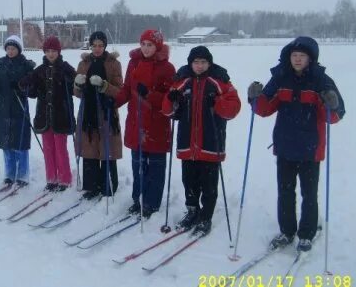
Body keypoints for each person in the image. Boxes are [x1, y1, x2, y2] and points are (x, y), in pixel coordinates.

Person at [247, 36, 345, 251]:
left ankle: (307, 233)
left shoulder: (321, 80)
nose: (298, 59)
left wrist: (331, 104)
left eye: (302, 56)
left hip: (311, 147)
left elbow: (334, 117)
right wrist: (254, 98)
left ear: (310, 58)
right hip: (285, 146)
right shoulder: (281, 77)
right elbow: (264, 109)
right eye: (294, 55)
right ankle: (287, 231)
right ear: (288, 57)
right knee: (285, 191)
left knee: (309, 193)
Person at [162, 46, 241, 235]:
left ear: (209, 63)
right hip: (187, 142)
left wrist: (218, 103)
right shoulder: (182, 81)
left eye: (203, 62)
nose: (199, 66)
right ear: (191, 63)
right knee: (189, 181)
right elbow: (168, 110)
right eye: (196, 62)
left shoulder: (219, 81)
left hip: (210, 142)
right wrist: (172, 100)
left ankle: (206, 216)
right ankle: (192, 210)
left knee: (208, 184)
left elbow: (234, 107)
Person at [112, 29, 175, 218]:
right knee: (138, 165)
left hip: (156, 124)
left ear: (158, 46)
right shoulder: (134, 62)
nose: (146, 48)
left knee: (155, 167)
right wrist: (114, 102)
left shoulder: (168, 68)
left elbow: (169, 99)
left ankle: (152, 203)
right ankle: (137, 199)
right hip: (136, 121)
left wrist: (149, 94)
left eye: (150, 45)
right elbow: (126, 89)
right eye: (143, 44)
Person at [20, 36, 76, 192]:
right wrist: (27, 85)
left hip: (61, 115)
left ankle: (65, 179)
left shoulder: (65, 68)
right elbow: (32, 92)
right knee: (48, 148)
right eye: (48, 51)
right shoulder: (40, 70)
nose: (51, 54)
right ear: (44, 52)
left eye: (54, 51)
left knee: (60, 148)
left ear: (59, 52)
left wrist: (72, 81)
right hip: (44, 116)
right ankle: (51, 178)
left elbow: (76, 86)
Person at [73, 31, 123, 200]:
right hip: (88, 112)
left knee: (106, 149)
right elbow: (77, 93)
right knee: (90, 149)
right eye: (94, 45)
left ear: (105, 46)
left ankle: (108, 185)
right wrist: (78, 86)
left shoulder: (113, 63)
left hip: (106, 111)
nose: (97, 49)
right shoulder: (83, 63)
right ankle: (91, 186)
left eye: (100, 45)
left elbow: (120, 91)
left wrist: (104, 85)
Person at [0, 35, 35, 188]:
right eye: (8, 48)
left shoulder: (25, 65)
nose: (10, 51)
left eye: (13, 48)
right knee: (6, 144)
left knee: (20, 143)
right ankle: (9, 174)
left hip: (19, 107)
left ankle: (22, 175)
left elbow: (31, 88)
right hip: (3, 108)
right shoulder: (0, 65)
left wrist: (21, 86)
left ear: (19, 49)